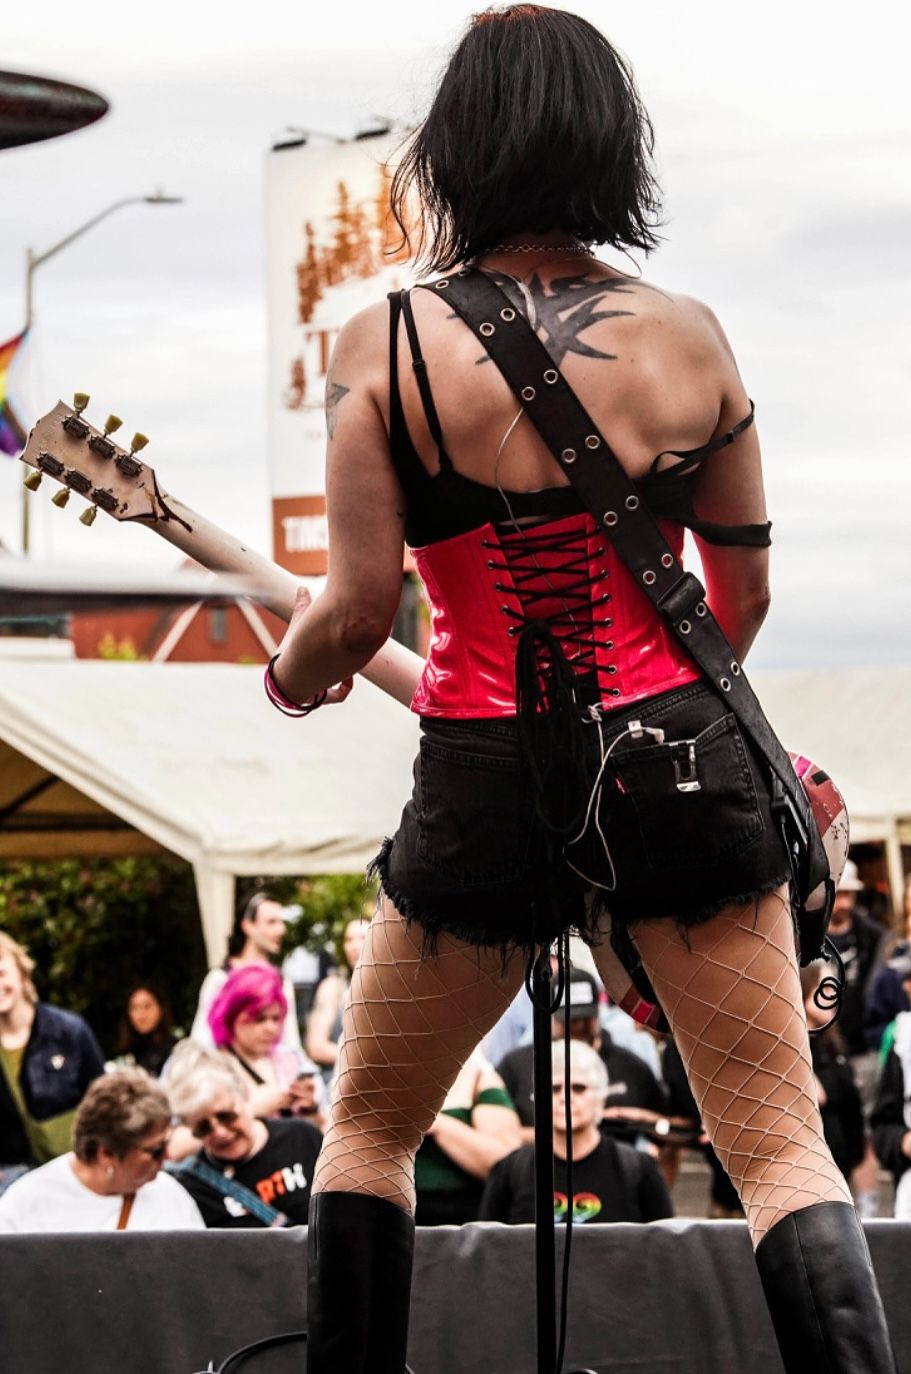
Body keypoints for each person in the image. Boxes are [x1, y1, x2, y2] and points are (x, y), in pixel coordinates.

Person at [263, 9, 895, 1371]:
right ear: (612, 146)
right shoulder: (691, 339)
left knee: (367, 1131)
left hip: (480, 778)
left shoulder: (381, 344)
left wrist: (288, 678)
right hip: (678, 761)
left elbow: (358, 615)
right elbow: (737, 607)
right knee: (776, 1146)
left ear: (456, 153)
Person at [480, 1040, 672, 1225]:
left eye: (578, 1088)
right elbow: (488, 1241)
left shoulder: (638, 1169)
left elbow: (664, 1240)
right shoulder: (510, 1170)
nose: (565, 1097)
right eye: (554, 1089)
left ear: (600, 1097)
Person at [0, 1066, 204, 1232]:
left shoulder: (171, 1196)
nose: (167, 1157)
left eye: (167, 1143)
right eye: (156, 1151)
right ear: (106, 1154)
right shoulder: (27, 1203)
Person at [495, 969, 666, 1146]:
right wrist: (561, 1133)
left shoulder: (631, 1067)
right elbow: (496, 1132)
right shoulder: (517, 1065)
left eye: (584, 1018)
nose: (577, 1027)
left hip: (618, 1161)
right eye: (568, 1020)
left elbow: (668, 1130)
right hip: (542, 1161)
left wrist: (640, 1120)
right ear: (552, 1018)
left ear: (598, 1013)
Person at [167, 1045, 322, 1228]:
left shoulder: (300, 1137)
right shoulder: (194, 1187)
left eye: (226, 1116)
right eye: (203, 1128)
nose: (220, 1133)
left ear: (244, 1095)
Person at [0, 930, 105, 1197]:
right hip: (12, 1182)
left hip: (76, 1170)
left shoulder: (68, 1031)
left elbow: (106, 1100)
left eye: (1, 974)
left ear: (22, 975)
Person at [206, 963, 326, 1125]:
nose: (271, 1028)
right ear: (231, 1016)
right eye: (259, 1019)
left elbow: (326, 1129)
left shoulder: (292, 1059)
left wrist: (310, 1109)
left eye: (276, 1018)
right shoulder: (211, 1068)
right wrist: (251, 1110)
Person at [414, 1045, 521, 1224]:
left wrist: (438, 1124)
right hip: (394, 1210)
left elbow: (504, 1162)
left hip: (465, 1212)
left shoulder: (479, 1075)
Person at [190, 891, 302, 1052]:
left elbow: (290, 1042)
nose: (281, 930)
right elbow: (201, 1038)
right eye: (271, 922)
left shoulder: (281, 981)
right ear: (248, 925)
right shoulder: (220, 978)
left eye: (281, 922)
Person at [304, 917, 370, 1079]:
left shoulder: (391, 987)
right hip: (337, 1081)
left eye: (362, 938)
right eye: (349, 939)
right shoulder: (334, 987)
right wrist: (366, 1061)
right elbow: (316, 1047)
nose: (354, 946)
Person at [113, 981, 178, 1078]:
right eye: (135, 1008)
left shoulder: (175, 1050)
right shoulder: (126, 1054)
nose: (141, 1015)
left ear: (161, 1009)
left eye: (147, 1007)